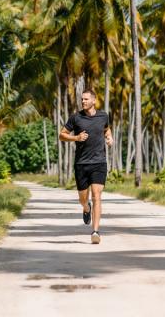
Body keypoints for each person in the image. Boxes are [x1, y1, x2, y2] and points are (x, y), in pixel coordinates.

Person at [59, 89, 113, 244]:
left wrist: (109, 138)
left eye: (86, 99)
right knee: (83, 199)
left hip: (99, 162)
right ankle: (86, 207)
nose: (83, 101)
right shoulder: (76, 117)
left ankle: (95, 232)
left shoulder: (103, 116)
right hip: (81, 164)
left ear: (94, 101)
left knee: (97, 195)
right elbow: (62, 135)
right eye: (82, 99)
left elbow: (106, 129)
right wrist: (76, 137)